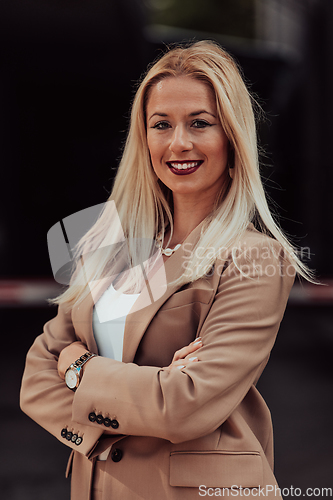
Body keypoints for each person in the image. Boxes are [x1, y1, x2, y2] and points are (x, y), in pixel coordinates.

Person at [20, 40, 313, 499]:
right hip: (96, 484)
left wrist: (78, 370)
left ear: (232, 136)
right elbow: (37, 375)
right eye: (162, 124)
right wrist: (111, 421)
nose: (179, 143)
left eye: (200, 123)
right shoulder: (110, 241)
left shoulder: (255, 259)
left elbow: (184, 405)